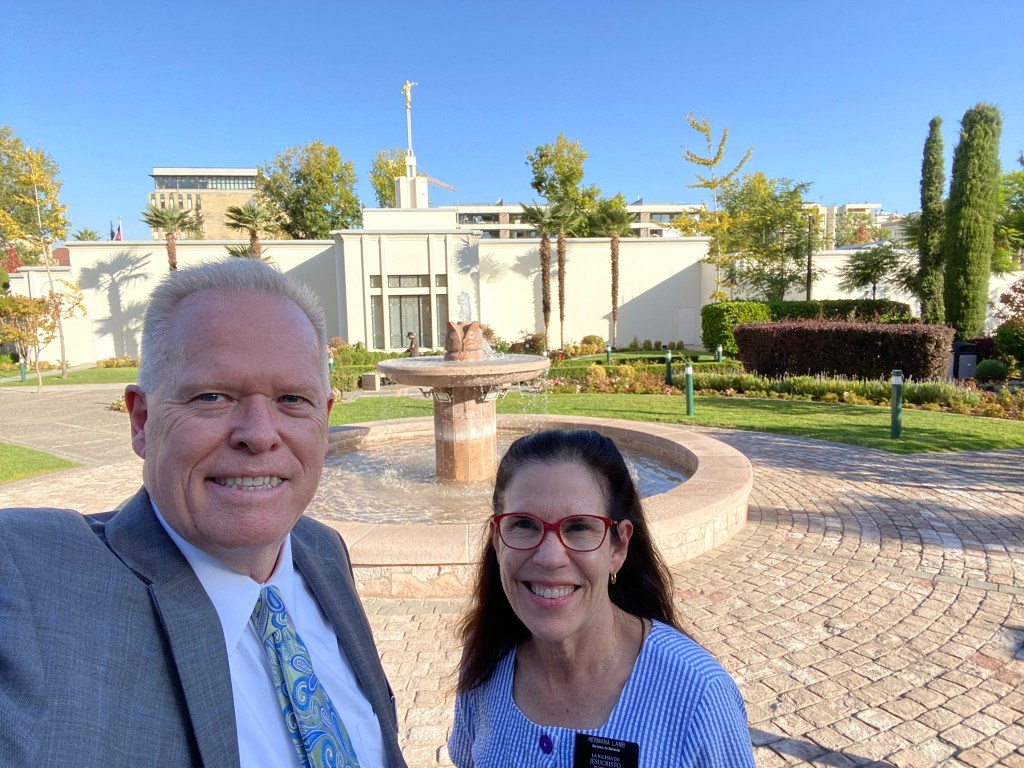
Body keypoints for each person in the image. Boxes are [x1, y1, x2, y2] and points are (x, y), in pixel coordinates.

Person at [0, 259, 407, 767]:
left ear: (324, 421)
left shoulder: (322, 551)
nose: (259, 434)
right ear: (142, 421)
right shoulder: (33, 581)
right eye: (212, 396)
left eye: (291, 399)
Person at [448, 429, 755, 767]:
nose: (550, 557)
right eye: (523, 524)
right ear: (497, 539)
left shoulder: (699, 695)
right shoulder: (484, 657)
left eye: (579, 527)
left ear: (618, 547)